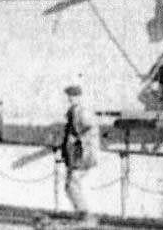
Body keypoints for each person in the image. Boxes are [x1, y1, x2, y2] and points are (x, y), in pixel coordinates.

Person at [60, 84, 100, 223]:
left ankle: (85, 215)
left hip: (83, 155)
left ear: (79, 97)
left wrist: (77, 138)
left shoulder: (82, 112)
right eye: (69, 96)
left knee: (72, 184)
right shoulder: (74, 111)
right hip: (75, 155)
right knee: (69, 185)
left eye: (73, 96)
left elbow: (91, 129)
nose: (70, 98)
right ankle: (81, 213)